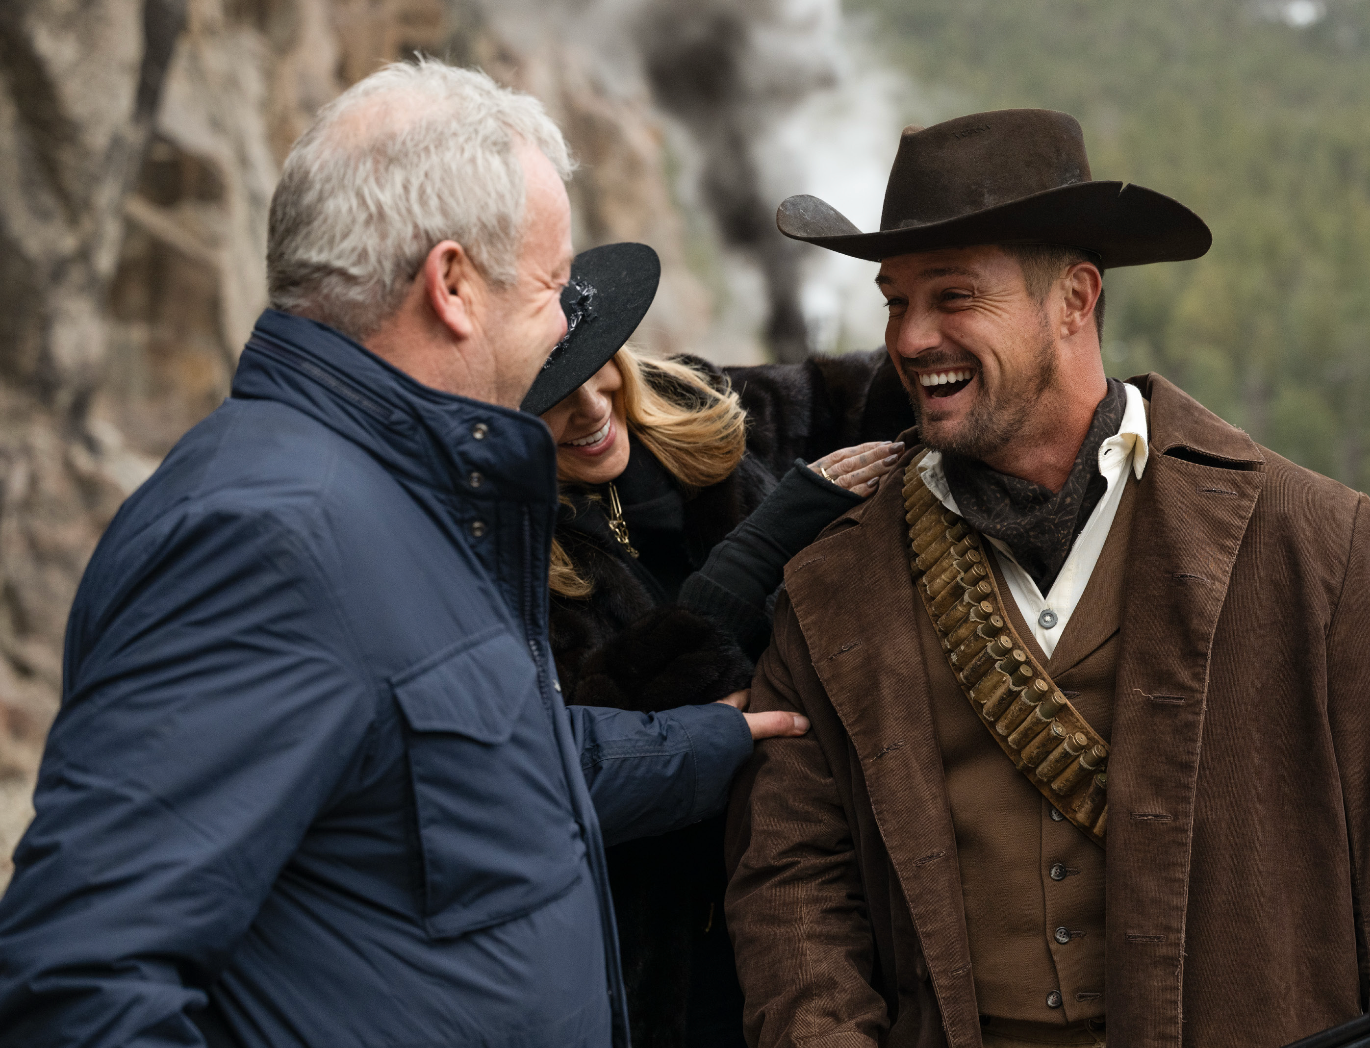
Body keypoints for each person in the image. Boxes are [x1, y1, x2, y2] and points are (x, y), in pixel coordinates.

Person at [0, 59, 806, 1048]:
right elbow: (81, 987)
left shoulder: (407, 498)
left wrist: (711, 743)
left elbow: (476, 767)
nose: (566, 326)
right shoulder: (264, 536)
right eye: (555, 288)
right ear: (455, 285)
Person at [725, 108, 1370, 1048]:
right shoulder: (833, 584)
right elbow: (793, 890)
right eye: (894, 301)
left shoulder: (1312, 542)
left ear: (1076, 301)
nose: (912, 337)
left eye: (954, 296)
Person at [520, 248, 907, 1047]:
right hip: (660, 952)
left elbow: (870, 397)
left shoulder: (704, 406)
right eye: (553, 397)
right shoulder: (504, 555)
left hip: (817, 895)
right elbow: (599, 743)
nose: (594, 408)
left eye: (602, 370)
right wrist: (750, 560)